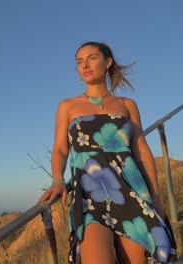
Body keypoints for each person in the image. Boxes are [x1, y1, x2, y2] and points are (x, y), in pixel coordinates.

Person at [39, 41, 177, 263]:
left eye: (91, 58)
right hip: (89, 196)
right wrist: (57, 180)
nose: (84, 65)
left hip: (132, 191)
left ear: (108, 62)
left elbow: (141, 152)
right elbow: (60, 148)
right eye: (79, 61)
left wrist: (156, 199)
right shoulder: (67, 105)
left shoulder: (127, 104)